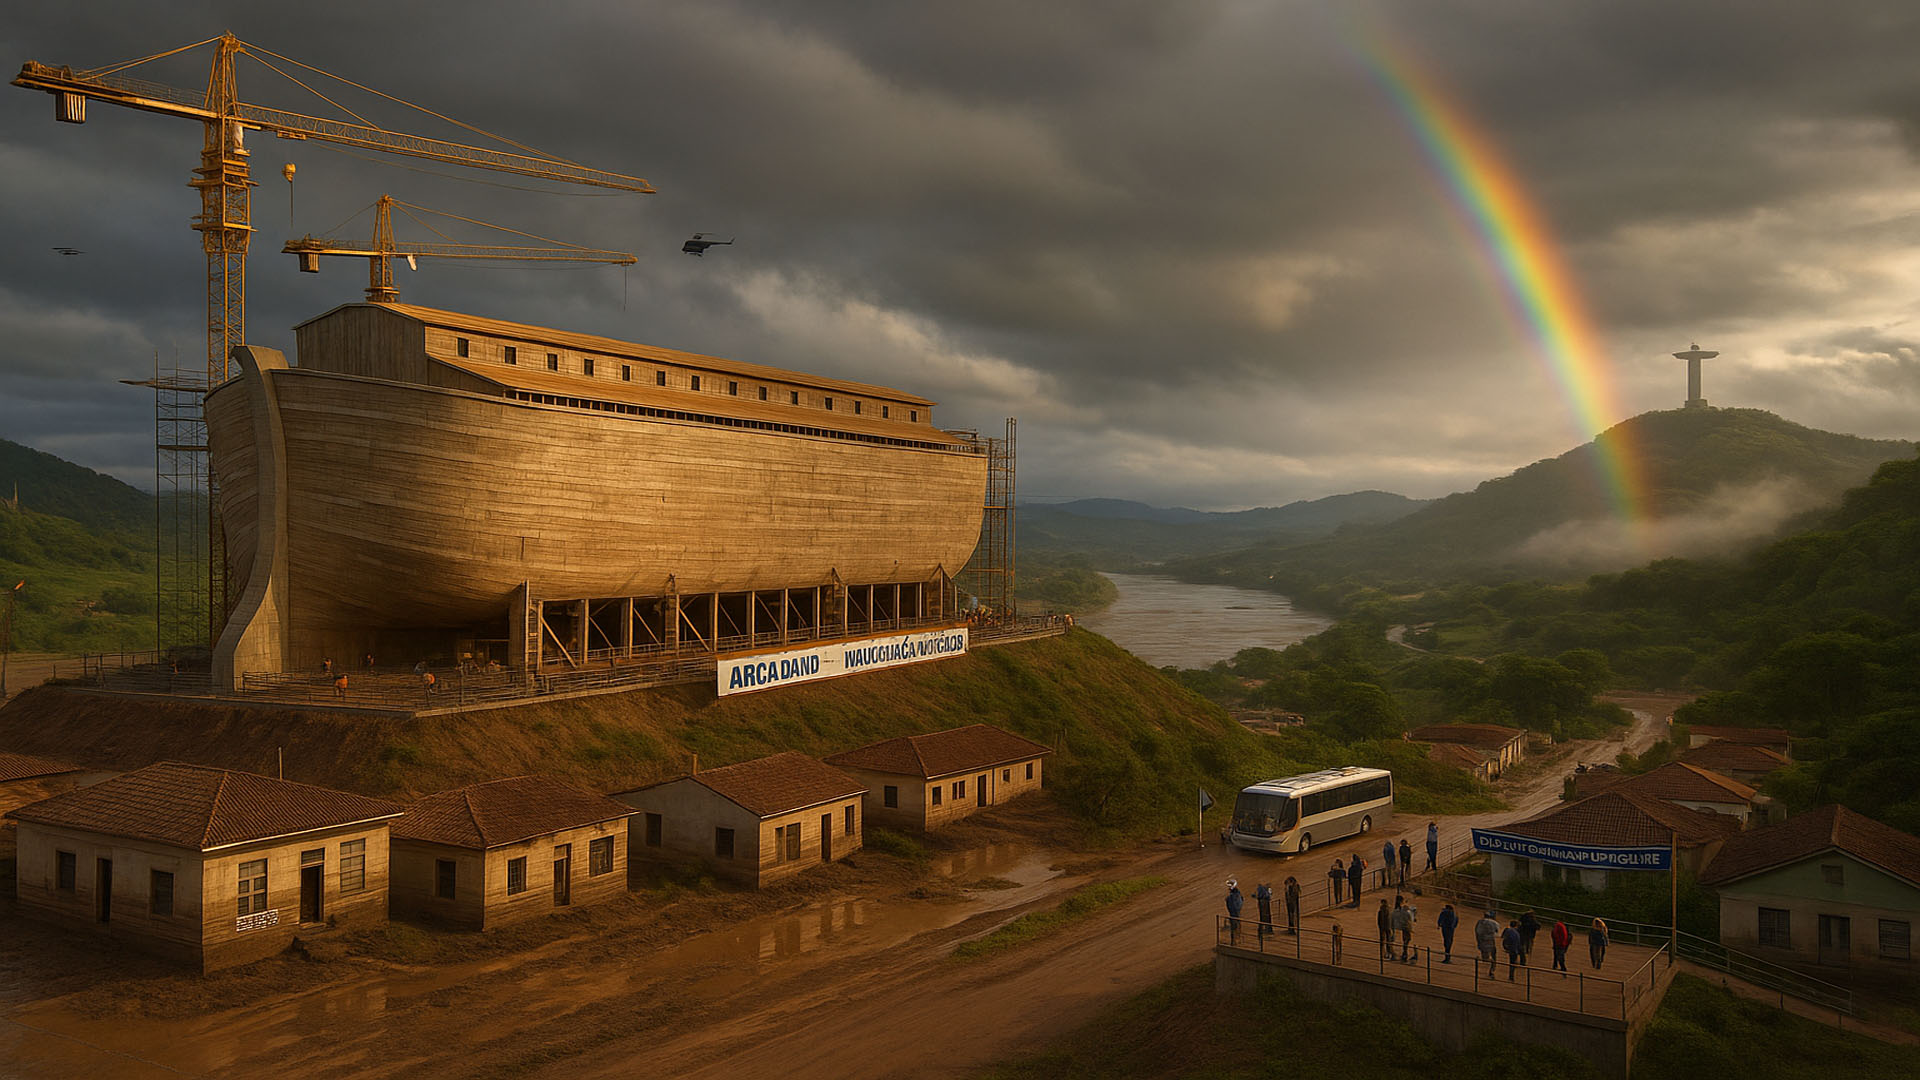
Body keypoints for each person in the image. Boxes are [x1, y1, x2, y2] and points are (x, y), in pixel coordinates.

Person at [1475, 910, 1501, 978]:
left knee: (1485, 957)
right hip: (1490, 941)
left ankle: (1491, 970)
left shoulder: (1480, 922)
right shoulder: (1494, 923)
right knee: (1492, 956)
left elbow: (1477, 932)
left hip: (1482, 941)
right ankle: (1492, 970)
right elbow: (1497, 933)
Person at [1391, 897, 1414, 962]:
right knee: (1407, 940)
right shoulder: (1406, 913)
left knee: (1405, 940)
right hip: (1406, 927)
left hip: (1403, 927)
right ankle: (1404, 954)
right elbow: (1410, 919)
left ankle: (1404, 953)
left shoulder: (1399, 911)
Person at [1225, 880, 1245, 945]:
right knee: (1238, 927)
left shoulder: (1231, 898)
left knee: (1234, 928)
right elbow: (1241, 903)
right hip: (1237, 914)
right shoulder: (1238, 896)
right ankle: (1238, 940)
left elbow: (1230, 906)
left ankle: (1234, 942)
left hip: (1233, 914)